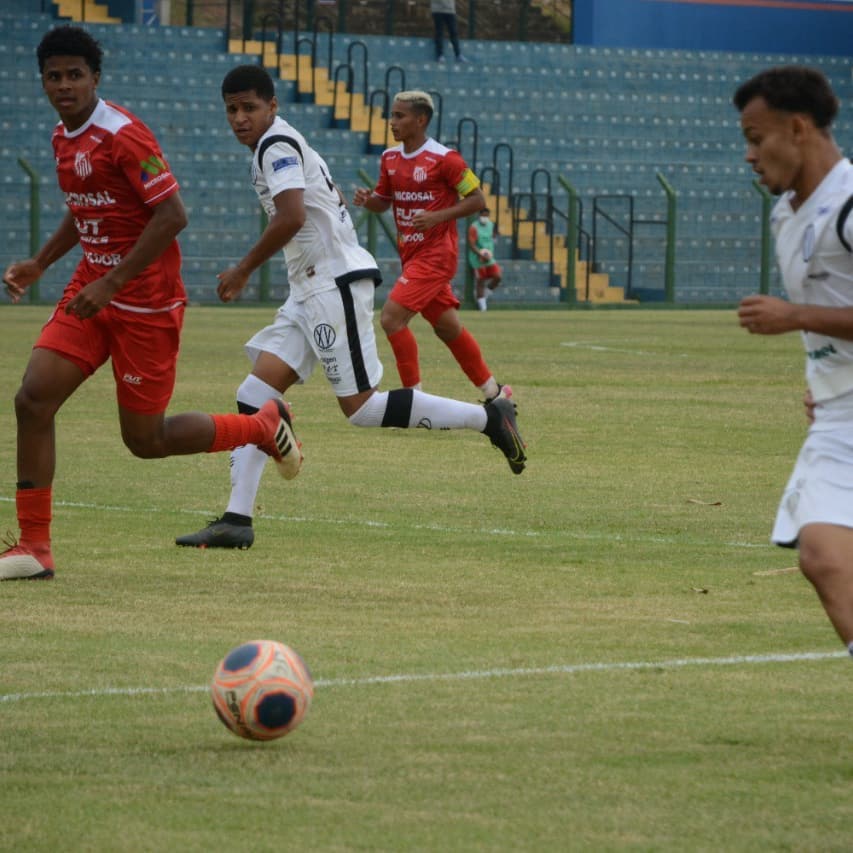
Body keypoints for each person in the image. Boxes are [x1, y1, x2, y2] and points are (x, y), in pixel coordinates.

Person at [175, 66, 525, 549]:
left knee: (361, 408)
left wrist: (243, 269)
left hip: (330, 285)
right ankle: (237, 519)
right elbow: (325, 201)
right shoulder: (281, 144)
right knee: (254, 394)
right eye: (232, 109)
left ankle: (490, 417)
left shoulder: (275, 145)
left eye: (249, 107)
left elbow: (294, 214)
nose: (239, 118)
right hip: (309, 288)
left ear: (272, 107)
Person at [0, 27, 300, 580]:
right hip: (93, 291)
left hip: (146, 303)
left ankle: (262, 426)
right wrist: (42, 262)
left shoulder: (124, 135)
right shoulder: (63, 138)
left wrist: (112, 283)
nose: (64, 86)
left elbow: (173, 215)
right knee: (32, 400)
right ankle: (34, 548)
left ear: (95, 78)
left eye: (75, 75)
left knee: (146, 440)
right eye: (53, 76)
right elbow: (85, 206)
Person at [734, 65, 853, 658]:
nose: (750, 156)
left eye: (757, 139)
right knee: (824, 558)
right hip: (840, 415)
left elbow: (814, 313)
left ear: (800, 128)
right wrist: (830, 381)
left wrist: (796, 317)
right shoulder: (787, 213)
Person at [353, 90, 509, 402]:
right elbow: (383, 202)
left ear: (420, 120)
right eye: (393, 115)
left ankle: (414, 399)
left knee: (391, 318)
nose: (392, 121)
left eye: (400, 116)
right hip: (411, 256)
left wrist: (437, 216)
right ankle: (496, 393)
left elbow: (478, 200)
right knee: (448, 328)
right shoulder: (390, 158)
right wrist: (367, 201)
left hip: (437, 255)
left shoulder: (445, 159)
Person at [467, 206, 502, 311]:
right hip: (477, 258)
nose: (485, 217)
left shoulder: (491, 225)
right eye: (483, 215)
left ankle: (485, 294)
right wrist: (480, 254)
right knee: (480, 280)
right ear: (479, 215)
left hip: (489, 257)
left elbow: (494, 236)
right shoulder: (474, 227)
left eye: (486, 216)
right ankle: (482, 307)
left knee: (498, 276)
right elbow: (472, 244)